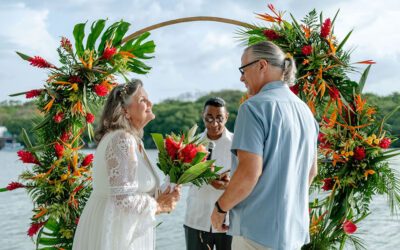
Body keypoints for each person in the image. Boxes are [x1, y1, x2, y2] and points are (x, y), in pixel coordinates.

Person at [211, 41, 319, 250]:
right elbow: (311, 172)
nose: (241, 78)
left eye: (243, 70)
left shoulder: (252, 107)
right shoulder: (306, 111)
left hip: (256, 234)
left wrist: (220, 208)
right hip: (293, 233)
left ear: (261, 65)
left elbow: (249, 173)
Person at [72, 79, 181, 250]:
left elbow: (130, 190)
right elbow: (123, 198)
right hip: (114, 232)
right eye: (142, 100)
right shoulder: (122, 139)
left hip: (121, 226)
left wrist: (169, 188)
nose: (150, 103)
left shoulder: (131, 139)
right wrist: (159, 206)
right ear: (125, 110)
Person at [184, 97, 234, 250]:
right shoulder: (192, 144)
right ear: (202, 116)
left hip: (228, 222)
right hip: (196, 220)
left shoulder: (238, 143)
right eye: (209, 118)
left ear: (226, 117)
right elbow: (179, 180)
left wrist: (229, 184)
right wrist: (198, 176)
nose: (214, 124)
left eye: (219, 118)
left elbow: (247, 178)